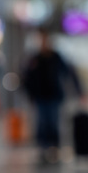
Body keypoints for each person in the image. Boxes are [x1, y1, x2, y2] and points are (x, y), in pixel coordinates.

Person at [22, 31, 82, 165]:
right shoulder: (35, 59)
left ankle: (54, 149)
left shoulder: (56, 57)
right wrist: (30, 93)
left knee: (53, 122)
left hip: (54, 96)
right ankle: (43, 149)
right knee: (42, 123)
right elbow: (27, 78)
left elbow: (69, 73)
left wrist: (79, 91)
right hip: (40, 97)